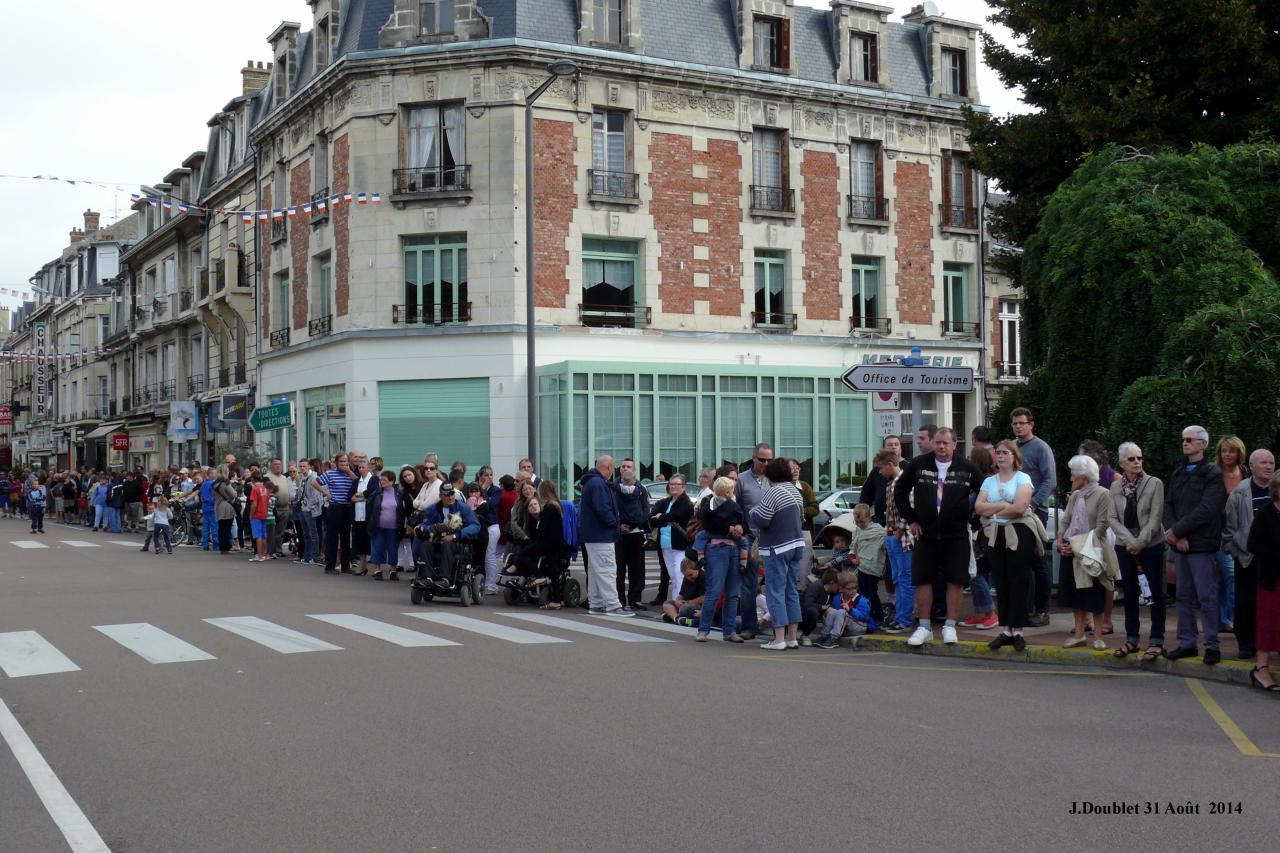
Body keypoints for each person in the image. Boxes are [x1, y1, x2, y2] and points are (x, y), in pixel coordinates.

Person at [895, 428, 983, 646]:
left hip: (957, 535)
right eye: (938, 442)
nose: (941, 447)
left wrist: (975, 522)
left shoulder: (967, 467)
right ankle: (924, 627)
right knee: (922, 579)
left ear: (954, 445)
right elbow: (900, 491)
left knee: (956, 580)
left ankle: (950, 626)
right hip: (926, 534)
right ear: (933, 443)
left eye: (945, 443)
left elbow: (984, 493)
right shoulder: (919, 464)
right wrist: (912, 519)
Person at [1163, 425, 1229, 665]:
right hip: (1180, 545)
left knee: (1206, 597)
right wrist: (1175, 534)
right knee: (1183, 596)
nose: (1185, 443)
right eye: (1183, 439)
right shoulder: (1179, 472)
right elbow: (1168, 504)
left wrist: (1178, 531)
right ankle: (1187, 643)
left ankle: (1212, 646)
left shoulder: (1213, 474)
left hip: (1202, 545)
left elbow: (1208, 509)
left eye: (1190, 439)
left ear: (1203, 444)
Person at [976, 440, 1040, 651]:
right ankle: (1006, 629)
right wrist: (1004, 506)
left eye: (1005, 453)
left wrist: (994, 512)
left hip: (1018, 531)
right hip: (995, 533)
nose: (1001, 456)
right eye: (998, 453)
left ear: (1015, 457)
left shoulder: (1023, 478)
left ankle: (1018, 630)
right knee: (1000, 579)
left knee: (1018, 579)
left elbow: (1020, 507)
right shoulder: (989, 481)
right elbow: (979, 507)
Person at [1108, 442, 1168, 661]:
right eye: (1131, 459)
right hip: (1125, 545)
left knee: (1154, 593)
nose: (1137, 462)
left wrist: (1139, 542)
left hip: (1150, 545)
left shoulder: (1154, 483)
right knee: (1131, 591)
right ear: (1122, 463)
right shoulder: (1115, 487)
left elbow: (1155, 517)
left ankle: (1156, 640)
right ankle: (1132, 638)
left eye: (1139, 458)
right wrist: (1129, 541)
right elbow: (1112, 518)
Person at [1056, 454, 1118, 650]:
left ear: (1083, 476)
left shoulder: (1103, 494)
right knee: (1076, 594)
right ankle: (1079, 634)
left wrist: (1078, 544)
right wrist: (1060, 541)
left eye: (1073, 474)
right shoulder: (1075, 496)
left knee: (1095, 593)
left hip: (1093, 551)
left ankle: (1098, 636)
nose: (1071, 477)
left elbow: (1102, 525)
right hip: (1072, 550)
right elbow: (1065, 520)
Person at [750, 457, 806, 651]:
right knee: (791, 590)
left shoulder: (772, 492)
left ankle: (778, 638)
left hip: (777, 547)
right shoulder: (795, 491)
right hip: (796, 545)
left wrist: (752, 512)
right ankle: (792, 637)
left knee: (775, 592)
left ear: (770, 475)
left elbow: (762, 519)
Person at [1224, 449, 1275, 661]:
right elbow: (1229, 528)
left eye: (1271, 462)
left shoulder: (1277, 488)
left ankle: (1272, 643)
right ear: (1252, 466)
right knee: (1246, 602)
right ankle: (1246, 644)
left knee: (1272, 603)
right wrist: (1237, 552)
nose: (1268, 466)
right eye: (1263, 463)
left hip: (1274, 558)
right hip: (1248, 556)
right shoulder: (1240, 492)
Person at [1011, 407, 1057, 627]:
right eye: (1015, 423)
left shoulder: (1041, 447)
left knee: (1037, 560)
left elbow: (1050, 481)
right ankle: (1025, 608)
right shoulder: (1013, 446)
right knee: (1021, 563)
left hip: (1035, 512)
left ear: (1031, 424)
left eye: (1022, 423)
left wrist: (1032, 504)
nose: (1018, 427)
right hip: (1014, 511)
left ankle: (1042, 609)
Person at [693, 475, 747, 643]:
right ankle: (703, 630)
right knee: (714, 592)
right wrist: (731, 528)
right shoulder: (708, 504)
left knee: (732, 593)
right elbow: (708, 525)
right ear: (727, 491)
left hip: (733, 548)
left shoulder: (734, 504)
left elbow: (743, 520)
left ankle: (729, 631)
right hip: (717, 549)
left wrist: (740, 528)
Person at [579, 455, 631, 617]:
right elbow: (602, 508)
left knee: (595, 570)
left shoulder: (592, 482)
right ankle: (613, 605)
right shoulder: (598, 483)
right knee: (606, 569)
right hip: (601, 534)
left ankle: (596, 603)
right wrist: (614, 523)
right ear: (609, 467)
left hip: (593, 534)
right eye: (613, 468)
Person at [733, 443, 776, 640]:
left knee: (776, 582)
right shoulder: (741, 480)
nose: (765, 464)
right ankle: (749, 626)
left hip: (773, 537)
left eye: (769, 460)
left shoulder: (775, 479)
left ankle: (779, 628)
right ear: (754, 458)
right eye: (762, 460)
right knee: (749, 583)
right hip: (750, 537)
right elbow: (736, 509)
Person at [1245, 477, 1280, 692]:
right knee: (1268, 622)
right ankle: (1261, 668)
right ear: (1276, 489)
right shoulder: (1266, 512)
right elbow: (1253, 544)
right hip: (1271, 578)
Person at [960, 446, 998, 630]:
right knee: (975, 573)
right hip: (977, 533)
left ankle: (990, 613)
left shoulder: (984, 484)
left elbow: (977, 510)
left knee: (977, 574)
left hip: (980, 534)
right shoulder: (982, 482)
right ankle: (980, 613)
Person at [414, 483, 480, 588]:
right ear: (440, 496)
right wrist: (423, 528)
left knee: (447, 544)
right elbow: (426, 524)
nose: (450, 497)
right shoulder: (433, 509)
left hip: (456, 541)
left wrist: (455, 536)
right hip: (437, 540)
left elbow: (475, 526)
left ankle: (445, 579)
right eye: (446, 495)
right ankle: (427, 578)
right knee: (425, 544)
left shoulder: (463, 508)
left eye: (452, 494)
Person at [876, 450, 913, 634]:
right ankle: (900, 617)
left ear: (890, 465)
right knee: (898, 579)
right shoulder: (892, 483)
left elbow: (909, 508)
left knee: (904, 580)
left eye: (881, 467)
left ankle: (904, 619)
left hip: (902, 538)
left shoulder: (903, 482)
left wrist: (897, 534)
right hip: (893, 535)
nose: (880, 471)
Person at [1214, 435, 1248, 634]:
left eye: (1232, 451)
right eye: (1224, 450)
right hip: (1219, 533)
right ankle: (1238, 621)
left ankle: (1224, 620)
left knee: (1227, 577)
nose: (1227, 454)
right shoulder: (1213, 474)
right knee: (1230, 574)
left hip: (1243, 532)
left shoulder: (1245, 472)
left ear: (1239, 453)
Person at [650, 474, 694, 606]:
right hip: (665, 544)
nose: (673, 486)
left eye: (676, 484)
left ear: (683, 487)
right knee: (673, 576)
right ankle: (676, 603)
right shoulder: (665, 502)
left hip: (680, 544)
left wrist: (662, 516)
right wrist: (664, 517)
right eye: (671, 484)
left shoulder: (686, 502)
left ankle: (680, 605)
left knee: (679, 574)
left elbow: (679, 515)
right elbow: (652, 517)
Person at [613, 458, 651, 611]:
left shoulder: (641, 489)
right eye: (623, 466)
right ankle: (620, 600)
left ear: (634, 470)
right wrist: (619, 525)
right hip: (618, 533)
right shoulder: (613, 488)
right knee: (618, 569)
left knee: (637, 568)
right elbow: (610, 508)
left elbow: (646, 511)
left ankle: (635, 599)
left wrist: (633, 525)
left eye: (629, 466)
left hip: (635, 533)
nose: (625, 468)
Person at [313, 452, 357, 574]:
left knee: (346, 537)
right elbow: (314, 482)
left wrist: (349, 472)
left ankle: (345, 565)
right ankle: (330, 566)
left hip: (347, 507)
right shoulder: (330, 473)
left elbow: (358, 482)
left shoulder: (350, 474)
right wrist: (326, 493)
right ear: (336, 463)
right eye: (341, 461)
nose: (343, 463)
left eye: (345, 461)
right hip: (335, 507)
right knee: (332, 537)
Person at [814, 572, 875, 649]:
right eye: (849, 589)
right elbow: (835, 616)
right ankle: (825, 635)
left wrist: (851, 610)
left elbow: (864, 616)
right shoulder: (837, 598)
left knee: (842, 612)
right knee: (832, 611)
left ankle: (834, 638)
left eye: (855, 588)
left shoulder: (861, 600)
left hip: (860, 627)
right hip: (844, 628)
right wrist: (828, 611)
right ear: (841, 589)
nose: (853, 591)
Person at [367, 470, 403, 581]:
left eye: (385, 480)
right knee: (377, 547)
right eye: (381, 480)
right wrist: (371, 522)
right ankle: (377, 570)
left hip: (394, 527)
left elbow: (402, 511)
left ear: (392, 481)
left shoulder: (399, 494)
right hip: (378, 526)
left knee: (393, 549)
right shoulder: (376, 493)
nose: (382, 482)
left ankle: (393, 571)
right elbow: (369, 509)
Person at [859, 435, 903, 526]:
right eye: (890, 445)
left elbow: (909, 509)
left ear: (900, 448)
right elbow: (866, 494)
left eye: (896, 444)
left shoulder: (908, 470)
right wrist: (862, 512)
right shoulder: (875, 472)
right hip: (881, 521)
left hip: (898, 526)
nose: (893, 447)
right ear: (884, 448)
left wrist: (898, 532)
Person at [790, 459, 820, 582]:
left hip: (804, 532)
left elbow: (815, 508)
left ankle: (803, 590)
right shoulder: (779, 487)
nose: (795, 470)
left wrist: (800, 512)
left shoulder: (805, 486)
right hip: (785, 534)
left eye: (797, 468)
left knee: (803, 570)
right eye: (792, 468)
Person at [475, 466, 502, 593]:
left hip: (492, 526)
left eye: (491, 474)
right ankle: (482, 581)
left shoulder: (496, 490)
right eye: (486, 475)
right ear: (480, 476)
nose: (489, 477)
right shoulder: (475, 488)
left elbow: (490, 504)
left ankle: (492, 585)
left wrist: (483, 490)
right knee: (481, 555)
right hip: (480, 526)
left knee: (489, 555)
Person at [799, 570, 839, 646]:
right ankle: (805, 635)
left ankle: (807, 634)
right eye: (838, 585)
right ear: (831, 583)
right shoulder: (816, 586)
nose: (839, 588)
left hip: (814, 614)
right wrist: (822, 607)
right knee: (812, 611)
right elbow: (808, 603)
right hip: (801, 615)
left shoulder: (832, 593)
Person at [663, 559, 706, 626]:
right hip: (687, 603)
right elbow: (682, 594)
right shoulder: (687, 578)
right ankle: (677, 619)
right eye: (686, 576)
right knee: (667, 603)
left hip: (700, 606)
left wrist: (687, 602)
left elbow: (703, 598)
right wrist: (677, 601)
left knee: (685, 608)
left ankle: (673, 615)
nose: (688, 578)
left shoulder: (703, 577)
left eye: (690, 575)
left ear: (697, 569)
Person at [213, 466, 239, 555]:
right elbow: (234, 494)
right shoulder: (225, 482)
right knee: (227, 529)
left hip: (218, 506)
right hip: (227, 507)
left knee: (221, 528)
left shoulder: (215, 483)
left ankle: (222, 548)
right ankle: (226, 548)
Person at [247, 472, 271, 563]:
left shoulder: (255, 489)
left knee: (258, 535)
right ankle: (263, 555)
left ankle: (259, 555)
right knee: (264, 535)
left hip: (257, 514)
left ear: (252, 479)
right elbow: (268, 501)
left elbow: (254, 504)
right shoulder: (265, 488)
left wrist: (251, 515)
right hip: (264, 513)